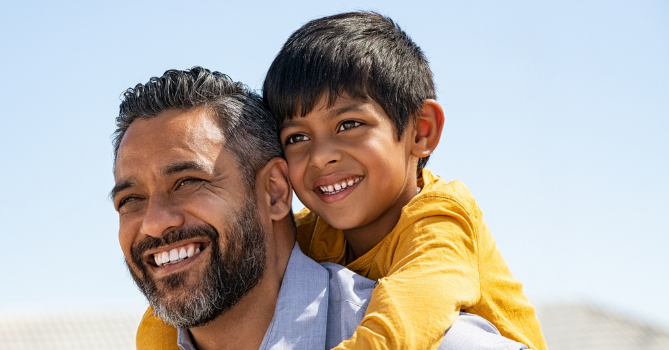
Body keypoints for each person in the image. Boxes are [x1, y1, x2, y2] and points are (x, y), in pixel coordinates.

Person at [114, 67, 528, 349]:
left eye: (188, 182)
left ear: (276, 192)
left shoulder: (440, 336)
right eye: (130, 200)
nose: (153, 223)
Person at [261, 11, 548, 350]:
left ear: (421, 130)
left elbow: (400, 325)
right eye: (296, 137)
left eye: (349, 124)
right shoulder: (310, 232)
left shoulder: (441, 221)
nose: (321, 155)